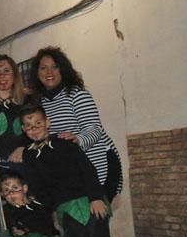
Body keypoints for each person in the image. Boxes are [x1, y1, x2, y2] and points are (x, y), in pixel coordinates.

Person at [20, 105, 122, 237]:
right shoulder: (28, 156)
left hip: (90, 202)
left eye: (38, 123)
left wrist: (95, 197)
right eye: (29, 126)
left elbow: (87, 169)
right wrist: (53, 214)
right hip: (65, 209)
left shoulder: (65, 144)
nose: (34, 128)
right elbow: (40, 189)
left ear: (47, 123)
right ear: (23, 129)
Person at [28, 47, 123, 200]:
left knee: (97, 218)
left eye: (54, 67)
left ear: (62, 69)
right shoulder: (40, 104)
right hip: (71, 172)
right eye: (43, 68)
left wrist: (78, 139)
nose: (49, 72)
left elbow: (94, 128)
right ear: (37, 73)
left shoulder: (77, 95)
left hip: (98, 165)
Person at [0, 54, 29, 166]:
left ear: (15, 75)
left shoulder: (28, 100)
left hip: (22, 160)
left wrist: (22, 147)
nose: (2, 76)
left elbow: (36, 126)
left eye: (6, 71)